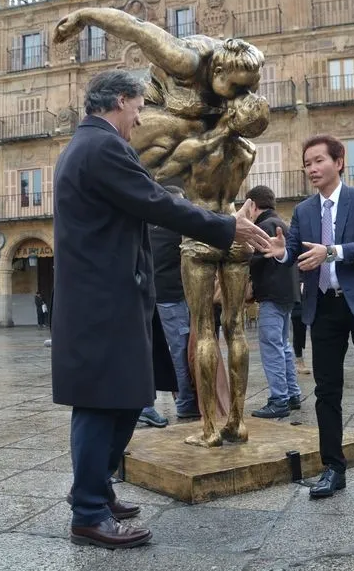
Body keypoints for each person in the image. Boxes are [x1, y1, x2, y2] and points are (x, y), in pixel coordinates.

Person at [52, 70, 270, 549]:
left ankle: (96, 488)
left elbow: (151, 194)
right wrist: (224, 226)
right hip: (103, 300)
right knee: (100, 402)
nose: (140, 118)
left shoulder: (91, 147)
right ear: (121, 100)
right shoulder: (101, 147)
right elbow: (154, 201)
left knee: (129, 395)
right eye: (139, 108)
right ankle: (88, 512)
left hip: (111, 296)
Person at [264, 134, 354, 497]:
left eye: (318, 161)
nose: (311, 169)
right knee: (327, 390)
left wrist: (331, 252)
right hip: (324, 305)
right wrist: (281, 252)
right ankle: (333, 467)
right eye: (307, 163)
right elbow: (294, 250)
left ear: (339, 162)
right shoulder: (303, 211)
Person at [246, 185, 303, 419]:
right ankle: (292, 394)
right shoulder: (279, 223)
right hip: (287, 293)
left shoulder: (264, 226)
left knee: (271, 347)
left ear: (252, 205)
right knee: (283, 345)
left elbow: (254, 259)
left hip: (272, 294)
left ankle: (279, 399)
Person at [149, 184, 200, 420]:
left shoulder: (148, 227)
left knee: (149, 351)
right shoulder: (178, 229)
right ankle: (186, 402)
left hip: (149, 298)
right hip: (172, 298)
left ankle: (145, 405)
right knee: (180, 352)